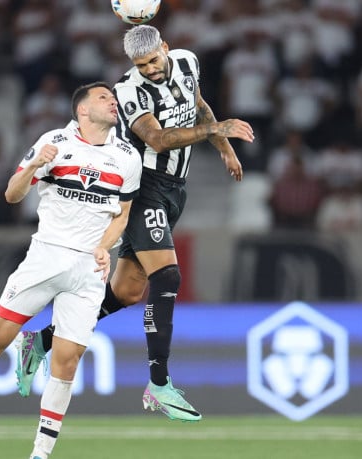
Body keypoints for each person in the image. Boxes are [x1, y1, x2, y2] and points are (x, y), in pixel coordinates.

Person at [14, 25, 253, 422]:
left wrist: (224, 148)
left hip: (175, 189)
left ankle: (39, 342)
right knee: (168, 278)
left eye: (154, 61)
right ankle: (158, 384)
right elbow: (157, 141)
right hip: (142, 189)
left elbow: (200, 106)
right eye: (142, 65)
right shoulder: (128, 91)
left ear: (166, 48)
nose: (151, 70)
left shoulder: (188, 63)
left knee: (125, 292)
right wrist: (216, 130)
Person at [0, 82, 141, 459]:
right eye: (103, 98)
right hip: (46, 257)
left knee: (67, 360)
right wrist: (33, 165)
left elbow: (122, 216)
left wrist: (104, 247)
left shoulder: (127, 156)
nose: (113, 103)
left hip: (89, 268)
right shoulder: (55, 141)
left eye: (114, 98)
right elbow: (12, 194)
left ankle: (40, 453)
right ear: (82, 110)